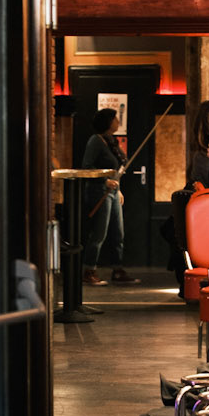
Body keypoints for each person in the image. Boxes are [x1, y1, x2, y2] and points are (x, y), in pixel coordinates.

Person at [81, 108, 140, 285]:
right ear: (107, 121)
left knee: (118, 232)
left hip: (113, 192)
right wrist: (105, 181)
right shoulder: (96, 140)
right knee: (99, 233)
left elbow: (116, 171)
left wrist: (118, 189)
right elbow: (87, 167)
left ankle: (117, 270)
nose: (117, 121)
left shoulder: (111, 142)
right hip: (100, 191)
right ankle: (89, 271)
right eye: (115, 118)